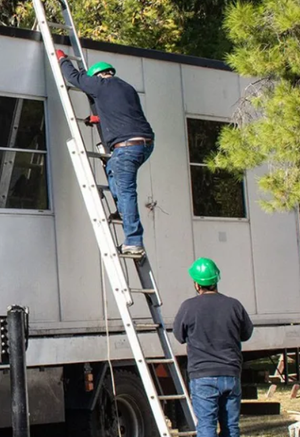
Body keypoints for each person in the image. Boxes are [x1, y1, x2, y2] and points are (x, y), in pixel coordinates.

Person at [56, 50, 154, 257]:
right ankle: (122, 211)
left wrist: (62, 59)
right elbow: (121, 112)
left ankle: (134, 241)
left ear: (98, 75)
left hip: (126, 146)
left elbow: (74, 77)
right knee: (111, 168)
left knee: (126, 191)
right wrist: (98, 119)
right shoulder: (127, 88)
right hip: (144, 144)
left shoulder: (100, 84)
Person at [173, 257, 254, 437]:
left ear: (196, 284)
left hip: (202, 376)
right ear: (216, 280)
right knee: (231, 427)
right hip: (231, 374)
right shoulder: (234, 305)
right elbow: (246, 334)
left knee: (206, 426)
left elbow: (179, 336)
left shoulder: (188, 307)